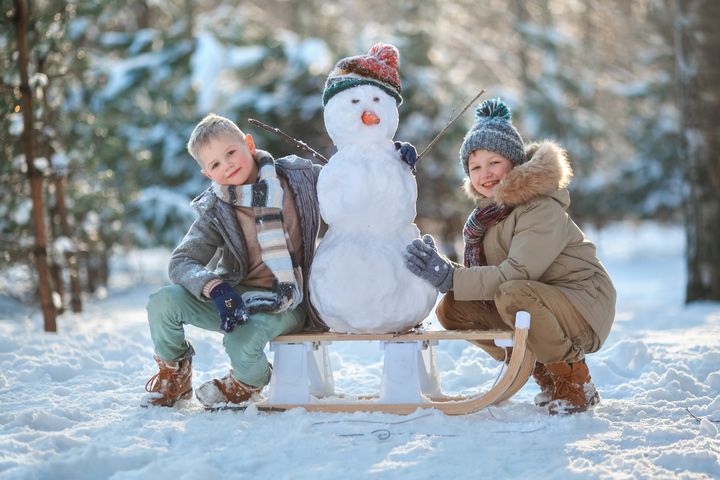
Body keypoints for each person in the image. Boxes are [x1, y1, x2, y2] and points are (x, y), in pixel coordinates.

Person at [404, 98, 616, 415]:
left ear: (514, 163)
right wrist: (447, 276)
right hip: (538, 300)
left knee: (512, 291)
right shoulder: (489, 217)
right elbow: (493, 280)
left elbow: (516, 274)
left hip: (583, 306)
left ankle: (573, 381)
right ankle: (543, 372)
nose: (484, 174)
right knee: (453, 308)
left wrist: (452, 276)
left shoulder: (540, 207)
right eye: (475, 167)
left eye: (494, 163)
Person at [141, 113, 326, 408]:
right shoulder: (216, 209)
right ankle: (175, 372)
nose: (226, 165)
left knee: (240, 341)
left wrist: (392, 158)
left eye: (230, 152)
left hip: (289, 299)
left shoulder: (297, 178)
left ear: (248, 144)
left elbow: (345, 177)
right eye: (215, 164)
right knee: (163, 301)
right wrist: (216, 288)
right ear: (208, 174)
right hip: (233, 301)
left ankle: (248, 381)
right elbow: (181, 262)